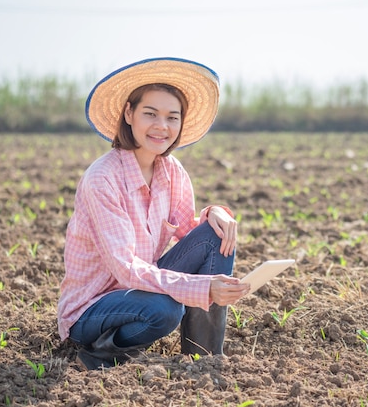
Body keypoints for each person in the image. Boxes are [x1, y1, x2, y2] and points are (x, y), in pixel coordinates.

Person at [57, 57, 250, 370]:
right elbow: (126, 270)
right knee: (165, 310)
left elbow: (189, 231)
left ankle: (203, 358)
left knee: (216, 235)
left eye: (172, 117)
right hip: (93, 307)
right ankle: (98, 354)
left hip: (141, 288)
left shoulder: (171, 171)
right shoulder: (102, 179)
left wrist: (215, 213)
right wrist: (202, 288)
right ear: (129, 114)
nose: (162, 126)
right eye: (151, 114)